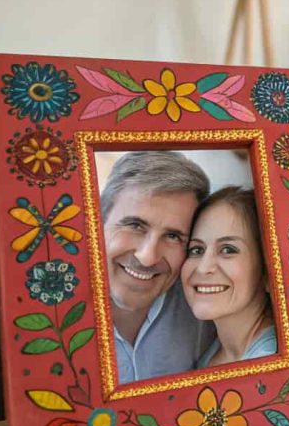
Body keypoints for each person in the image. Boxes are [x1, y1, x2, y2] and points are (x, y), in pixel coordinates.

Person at [100, 151, 214, 383]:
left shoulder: (207, 310)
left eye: (173, 236)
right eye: (134, 225)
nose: (148, 257)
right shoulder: (47, 312)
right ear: (97, 222)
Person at [182, 186, 277, 368]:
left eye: (228, 250)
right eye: (197, 250)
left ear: (267, 273)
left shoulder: (267, 364)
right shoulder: (213, 352)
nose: (203, 268)